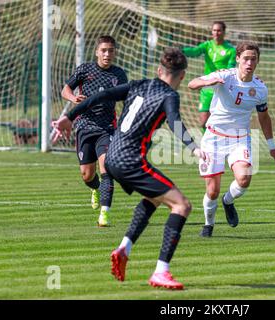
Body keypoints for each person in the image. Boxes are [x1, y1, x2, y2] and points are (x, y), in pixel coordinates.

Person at [52, 48, 207, 290]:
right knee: (182, 205)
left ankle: (124, 248)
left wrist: (69, 117)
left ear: (158, 70)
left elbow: (99, 96)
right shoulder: (170, 96)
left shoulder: (138, 84)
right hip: (130, 159)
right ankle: (161, 271)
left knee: (155, 198)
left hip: (112, 155)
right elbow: (175, 121)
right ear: (183, 75)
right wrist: (194, 148)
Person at [188, 41, 275, 238]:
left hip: (240, 139)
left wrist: (272, 146)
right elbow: (192, 83)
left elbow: (264, 117)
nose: (249, 63)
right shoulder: (224, 75)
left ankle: (228, 201)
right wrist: (207, 83)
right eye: (246, 58)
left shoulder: (260, 88)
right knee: (212, 191)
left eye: (253, 59)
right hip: (213, 138)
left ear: (257, 62)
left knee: (244, 179)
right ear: (238, 59)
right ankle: (208, 224)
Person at [57, 35, 128, 227]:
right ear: (97, 51)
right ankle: (95, 188)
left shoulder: (119, 75)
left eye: (110, 50)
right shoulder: (85, 70)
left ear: (114, 52)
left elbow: (126, 100)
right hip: (84, 127)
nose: (107, 54)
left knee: (107, 169)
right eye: (103, 50)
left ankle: (104, 214)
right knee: (87, 175)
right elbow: (65, 90)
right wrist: (72, 98)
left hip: (106, 128)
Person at [182, 21, 236, 132]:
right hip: (207, 87)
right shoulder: (207, 45)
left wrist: (224, 73)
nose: (217, 33)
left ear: (224, 32)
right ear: (212, 32)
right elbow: (195, 51)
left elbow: (231, 67)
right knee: (203, 121)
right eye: (214, 30)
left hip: (222, 88)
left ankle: (217, 144)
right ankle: (206, 144)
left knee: (220, 121)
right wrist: (181, 51)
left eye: (219, 30)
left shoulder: (230, 50)